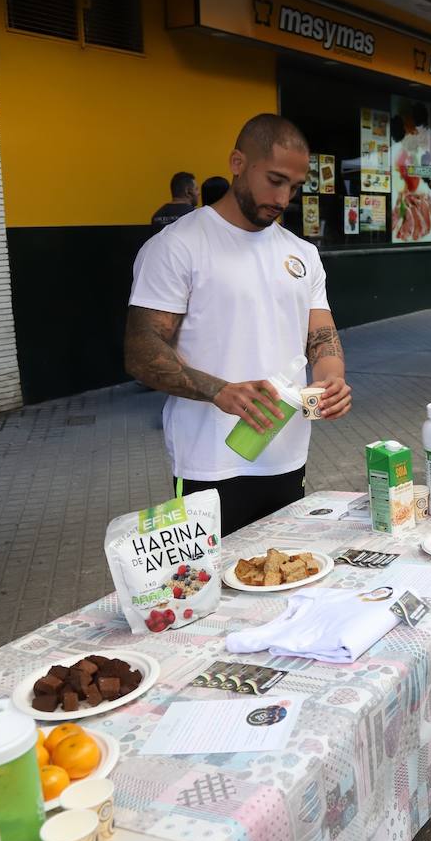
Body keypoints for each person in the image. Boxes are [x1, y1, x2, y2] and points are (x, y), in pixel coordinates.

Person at [125, 114, 353, 536]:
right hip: (209, 462)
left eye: (294, 186)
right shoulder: (178, 246)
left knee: (284, 577)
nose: (283, 197)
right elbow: (141, 352)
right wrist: (219, 391)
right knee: (215, 591)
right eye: (275, 179)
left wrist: (331, 381)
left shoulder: (302, 253)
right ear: (237, 162)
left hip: (287, 456)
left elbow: (320, 336)